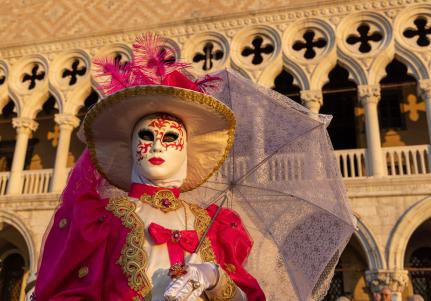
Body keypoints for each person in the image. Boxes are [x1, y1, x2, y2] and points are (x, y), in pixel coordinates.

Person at [33, 34, 264, 301]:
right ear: (130, 146)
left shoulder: (212, 225)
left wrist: (212, 277)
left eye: (170, 138)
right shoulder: (104, 221)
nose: (157, 146)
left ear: (187, 148)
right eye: (146, 136)